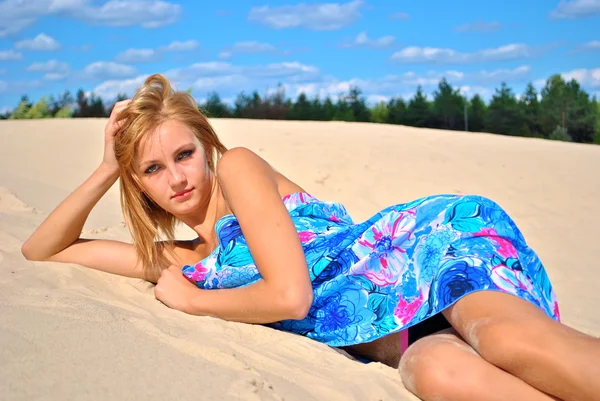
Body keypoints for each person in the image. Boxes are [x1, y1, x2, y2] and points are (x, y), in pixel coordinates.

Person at [22, 74, 600, 401]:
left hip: (432, 252)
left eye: (183, 154)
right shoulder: (183, 260)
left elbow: (290, 296)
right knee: (436, 374)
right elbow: (43, 250)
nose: (175, 178)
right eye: (151, 170)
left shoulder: (239, 170)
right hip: (402, 333)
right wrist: (107, 166)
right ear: (139, 184)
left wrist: (194, 301)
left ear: (206, 147)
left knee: (505, 341)